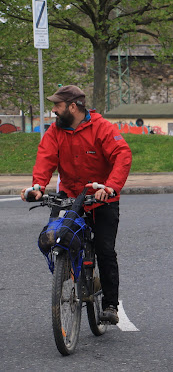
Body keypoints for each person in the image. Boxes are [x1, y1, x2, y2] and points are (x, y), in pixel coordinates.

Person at [21, 85, 132, 325]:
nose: (53, 110)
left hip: (102, 198)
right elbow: (45, 159)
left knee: (104, 250)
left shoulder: (101, 127)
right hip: (70, 197)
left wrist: (110, 186)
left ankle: (111, 304)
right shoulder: (55, 132)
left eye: (57, 106)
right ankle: (70, 273)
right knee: (57, 236)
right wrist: (38, 187)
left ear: (73, 107)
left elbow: (122, 155)